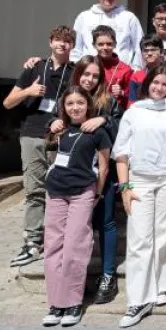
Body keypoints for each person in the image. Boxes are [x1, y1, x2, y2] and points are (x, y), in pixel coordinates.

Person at [48, 56, 124, 304]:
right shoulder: (68, 95)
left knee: (106, 221)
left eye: (95, 75)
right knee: (74, 231)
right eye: (86, 74)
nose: (90, 79)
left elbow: (123, 127)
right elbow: (52, 121)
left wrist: (104, 119)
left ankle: (107, 274)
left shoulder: (108, 101)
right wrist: (54, 122)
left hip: (103, 171)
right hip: (70, 177)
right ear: (78, 74)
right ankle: (73, 278)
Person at [114, 67, 166, 328]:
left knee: (164, 233)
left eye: (165, 83)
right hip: (140, 180)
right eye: (155, 82)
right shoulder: (134, 112)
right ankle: (137, 299)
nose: (159, 87)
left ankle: (161, 285)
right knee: (139, 239)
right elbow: (121, 152)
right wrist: (125, 187)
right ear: (147, 84)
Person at [4, 26, 75, 267]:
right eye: (58, 40)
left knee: (60, 191)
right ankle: (32, 242)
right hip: (32, 136)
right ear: (50, 42)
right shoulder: (34, 68)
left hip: (61, 137)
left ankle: (58, 239)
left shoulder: (75, 72)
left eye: (67, 41)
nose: (62, 45)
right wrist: (28, 91)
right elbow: (8, 103)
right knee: (34, 190)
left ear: (72, 46)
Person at [41, 86, 110, 328]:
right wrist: (52, 125)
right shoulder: (59, 129)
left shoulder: (96, 131)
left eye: (79, 103)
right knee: (52, 247)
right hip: (56, 191)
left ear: (87, 105)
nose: (75, 108)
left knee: (75, 246)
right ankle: (55, 302)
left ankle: (72, 301)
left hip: (83, 191)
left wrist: (98, 193)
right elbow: (46, 134)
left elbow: (103, 166)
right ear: (64, 107)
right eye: (70, 104)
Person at [72, 0, 144, 70]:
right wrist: (77, 69)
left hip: (120, 73)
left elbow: (140, 47)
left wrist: (136, 70)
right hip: (90, 73)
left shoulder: (129, 18)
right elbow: (76, 48)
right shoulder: (84, 17)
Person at [90, 25, 133, 109]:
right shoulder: (88, 65)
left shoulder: (126, 69)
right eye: (100, 44)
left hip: (114, 114)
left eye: (109, 44)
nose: (105, 47)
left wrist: (121, 92)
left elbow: (132, 97)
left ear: (115, 44)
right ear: (94, 45)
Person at [128, 35, 165, 106]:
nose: (149, 53)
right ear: (141, 53)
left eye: (153, 50)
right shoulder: (136, 76)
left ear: (161, 51)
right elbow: (131, 103)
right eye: (145, 50)